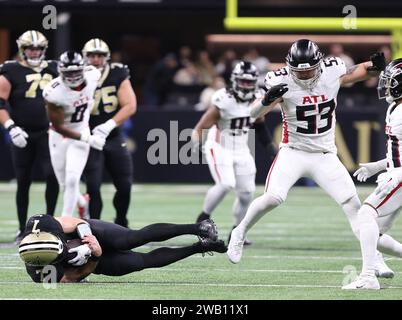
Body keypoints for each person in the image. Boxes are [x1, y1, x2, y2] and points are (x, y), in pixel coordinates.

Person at [227, 39, 392, 277]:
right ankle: (239, 231)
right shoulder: (279, 80)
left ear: (319, 63)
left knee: (354, 207)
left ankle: (374, 258)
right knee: (273, 198)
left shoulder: (331, 70)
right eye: (299, 72)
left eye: (309, 70)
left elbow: (359, 71)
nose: (304, 76)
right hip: (293, 151)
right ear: (290, 67)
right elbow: (253, 114)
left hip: (325, 154)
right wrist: (265, 100)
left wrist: (376, 66)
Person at [192, 61, 278, 244]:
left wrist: (270, 146)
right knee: (226, 184)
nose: (246, 86)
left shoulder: (258, 97)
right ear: (234, 80)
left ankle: (237, 232)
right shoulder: (224, 99)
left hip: (241, 148)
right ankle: (202, 220)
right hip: (219, 145)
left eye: (249, 82)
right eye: (242, 81)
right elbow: (200, 127)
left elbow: (260, 124)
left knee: (247, 192)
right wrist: (197, 145)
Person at [18, 213, 226, 283]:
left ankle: (199, 227)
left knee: (130, 239)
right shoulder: (41, 274)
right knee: (139, 262)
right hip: (91, 262)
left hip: (93, 232)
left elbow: (78, 222)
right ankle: (199, 247)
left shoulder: (41, 223)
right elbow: (74, 276)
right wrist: (96, 256)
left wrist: (88, 238)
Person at [343, 59, 402, 289]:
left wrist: (396, 174)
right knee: (373, 233)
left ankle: (368, 277)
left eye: (390, 82)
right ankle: (372, 268)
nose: (385, 86)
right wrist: (378, 166)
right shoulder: (394, 107)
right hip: (396, 172)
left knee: (365, 215)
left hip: (400, 176)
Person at [0, 30, 59, 242]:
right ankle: (21, 228)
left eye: (38, 48)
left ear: (44, 49)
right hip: (21, 132)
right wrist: (11, 127)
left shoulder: (54, 68)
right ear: (22, 49)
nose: (34, 52)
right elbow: (0, 102)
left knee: (53, 175)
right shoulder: (11, 69)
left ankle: (51, 224)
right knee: (23, 180)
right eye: (30, 48)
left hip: (48, 132)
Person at [81, 38, 137, 227]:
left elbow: (130, 105)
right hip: (88, 138)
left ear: (107, 57)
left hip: (112, 137)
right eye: (92, 55)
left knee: (124, 186)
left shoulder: (117, 73)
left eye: (100, 55)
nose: (96, 59)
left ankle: (121, 221)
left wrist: (108, 125)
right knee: (93, 187)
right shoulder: (75, 74)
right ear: (85, 57)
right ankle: (95, 227)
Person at [43, 51, 105, 218]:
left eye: (76, 71)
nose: (72, 76)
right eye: (68, 73)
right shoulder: (53, 92)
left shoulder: (93, 76)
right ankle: (82, 203)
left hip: (80, 129)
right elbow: (58, 126)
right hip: (59, 134)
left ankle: (65, 223)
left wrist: (85, 135)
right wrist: (88, 138)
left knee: (72, 180)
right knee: (64, 184)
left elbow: (100, 68)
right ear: (61, 71)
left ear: (83, 69)